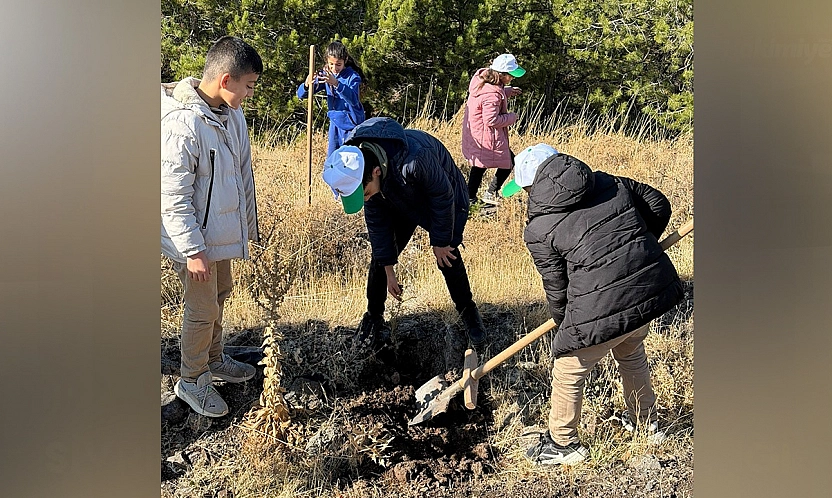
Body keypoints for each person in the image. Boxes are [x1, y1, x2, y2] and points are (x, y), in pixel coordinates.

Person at [503, 144, 684, 465]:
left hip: (603, 301)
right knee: (631, 352)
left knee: (568, 369)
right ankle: (647, 424)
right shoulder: (608, 182)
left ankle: (562, 445)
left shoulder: (539, 229)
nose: (525, 194)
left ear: (533, 184)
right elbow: (658, 203)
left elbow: (557, 288)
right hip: (647, 287)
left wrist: (567, 327)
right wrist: (637, 248)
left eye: (525, 188)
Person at [161, 36, 263, 417]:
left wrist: (246, 228)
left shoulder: (231, 114)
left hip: (219, 235)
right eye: (249, 86)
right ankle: (192, 379)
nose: (250, 94)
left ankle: (215, 358)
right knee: (201, 311)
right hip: (195, 244)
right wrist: (192, 251)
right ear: (225, 80)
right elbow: (172, 196)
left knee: (222, 292)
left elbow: (240, 177)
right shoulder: (182, 125)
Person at [321, 117, 488, 349]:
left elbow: (443, 197)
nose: (366, 199)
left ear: (376, 172)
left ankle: (469, 313)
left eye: (366, 193)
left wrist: (439, 241)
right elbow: (379, 230)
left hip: (441, 197)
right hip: (396, 195)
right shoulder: (364, 176)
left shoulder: (416, 159)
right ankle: (374, 317)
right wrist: (389, 268)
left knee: (447, 254)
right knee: (380, 258)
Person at [461, 53, 525, 206]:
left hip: (479, 133)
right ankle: (490, 193)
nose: (512, 78)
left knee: (479, 166)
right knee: (508, 162)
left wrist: (507, 91)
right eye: (510, 75)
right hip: (486, 135)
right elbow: (491, 120)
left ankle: (470, 198)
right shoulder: (492, 95)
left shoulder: (483, 81)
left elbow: (491, 95)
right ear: (501, 75)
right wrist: (511, 117)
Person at [297, 40, 366, 158]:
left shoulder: (352, 77)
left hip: (352, 125)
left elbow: (354, 100)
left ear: (345, 60)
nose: (334, 68)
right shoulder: (326, 74)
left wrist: (336, 84)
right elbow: (301, 95)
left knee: (349, 161)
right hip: (335, 124)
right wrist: (307, 85)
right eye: (331, 64)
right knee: (333, 160)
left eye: (338, 64)